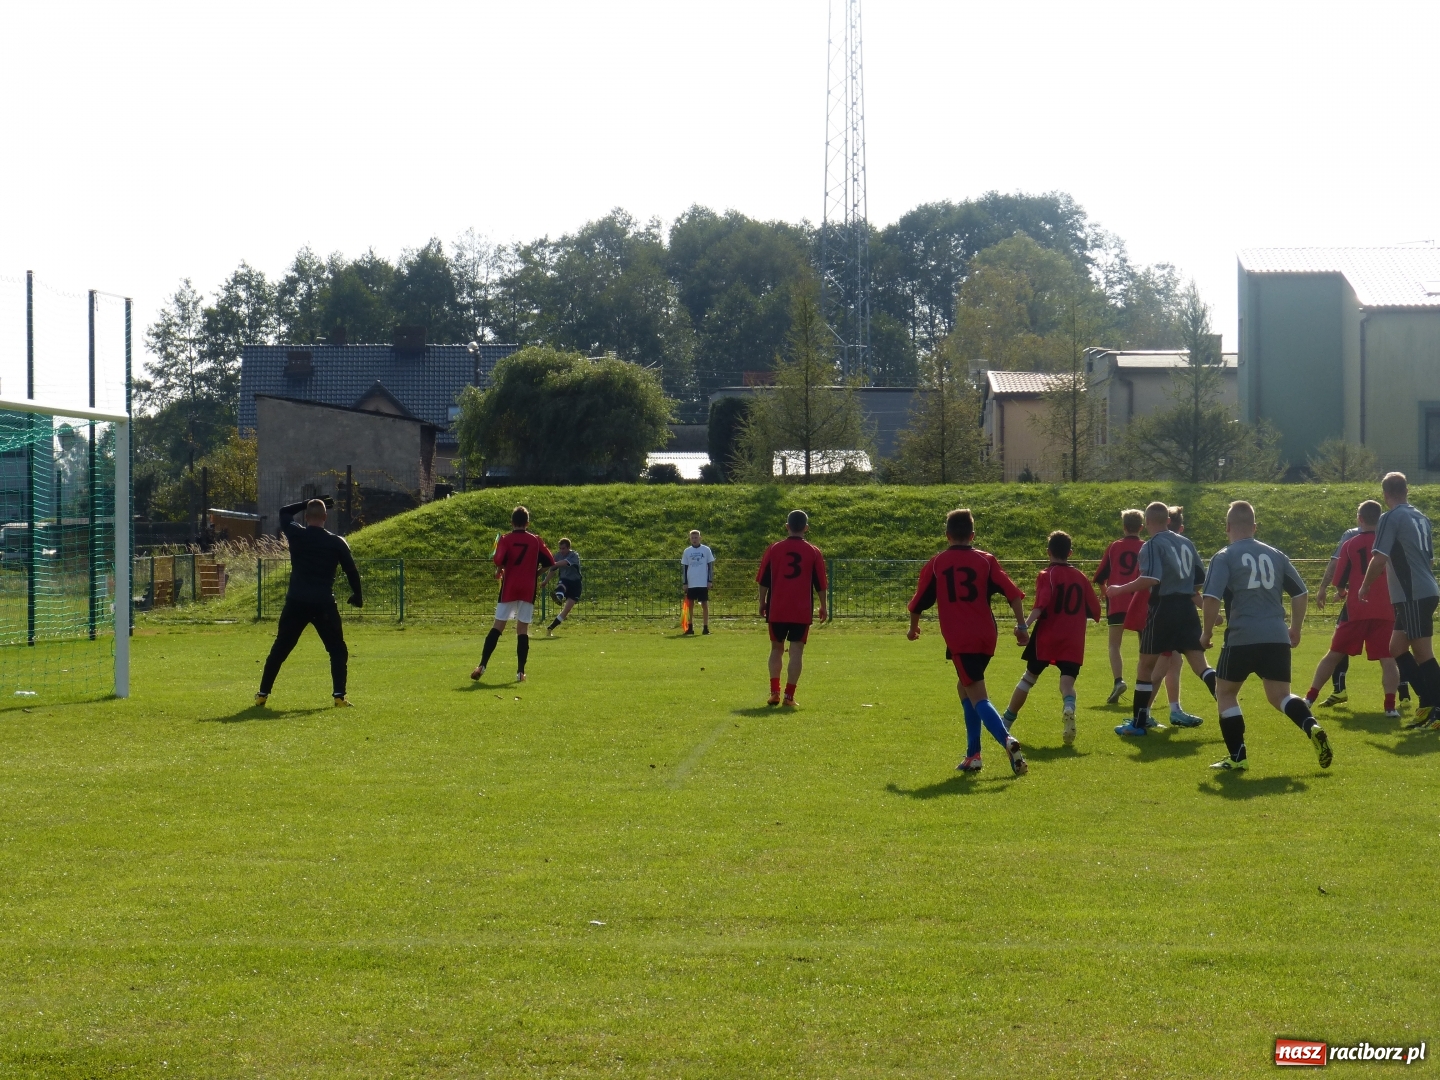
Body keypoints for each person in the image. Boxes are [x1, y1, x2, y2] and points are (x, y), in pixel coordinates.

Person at [1202, 501, 1332, 771]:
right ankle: (1312, 726)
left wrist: (1205, 634)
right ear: (1255, 527)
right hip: (1275, 635)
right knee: (1280, 696)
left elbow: (1211, 597)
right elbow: (1300, 592)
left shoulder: (1224, 556)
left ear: (1227, 527)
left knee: (1225, 691)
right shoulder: (1276, 554)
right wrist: (1295, 628)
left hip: (1241, 636)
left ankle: (1237, 757)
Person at [906, 508, 1030, 776]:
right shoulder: (986, 561)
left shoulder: (937, 563)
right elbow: (1014, 594)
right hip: (986, 635)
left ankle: (1007, 741)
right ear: (972, 535)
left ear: (947, 535)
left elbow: (918, 602)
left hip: (961, 638)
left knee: (977, 695)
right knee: (964, 688)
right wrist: (1021, 626)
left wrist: (913, 628)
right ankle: (973, 754)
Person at [1108, 501, 1218, 737]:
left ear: (1147, 522)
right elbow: (1200, 578)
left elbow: (1151, 579)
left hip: (1163, 609)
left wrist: (1119, 589)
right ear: (1168, 521)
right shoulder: (1186, 542)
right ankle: (1229, 704)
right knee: (1201, 666)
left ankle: (1138, 724)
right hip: (1187, 609)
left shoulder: (1151, 545)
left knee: (1145, 667)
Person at [255, 498, 362, 708]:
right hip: (323, 603)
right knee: (337, 650)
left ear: (305, 517)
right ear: (325, 517)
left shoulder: (297, 534)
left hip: (296, 601)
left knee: (281, 648)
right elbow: (351, 570)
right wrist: (357, 595)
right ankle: (339, 696)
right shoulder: (336, 542)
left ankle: (262, 694)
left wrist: (305, 502)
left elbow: (284, 511)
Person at [1003, 530, 1101, 745]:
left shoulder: (1047, 575)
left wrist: (1024, 625)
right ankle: (1068, 706)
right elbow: (1096, 611)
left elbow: (1041, 605)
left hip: (1048, 636)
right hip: (1073, 639)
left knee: (1028, 679)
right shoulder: (1081, 577)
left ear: (1048, 552)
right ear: (1070, 553)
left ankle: (1005, 723)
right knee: (1067, 683)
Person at [1358, 471, 1440, 729]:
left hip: (1413, 594)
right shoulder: (1421, 517)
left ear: (1385, 494)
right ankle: (1427, 702)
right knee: (1396, 648)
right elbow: (1428, 560)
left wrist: (1365, 586)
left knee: (1423, 654)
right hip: (1419, 591)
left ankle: (1436, 706)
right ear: (1406, 490)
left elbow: (1379, 557)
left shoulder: (1390, 517)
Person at [1306, 501, 1400, 718]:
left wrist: (1341, 593)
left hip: (1357, 608)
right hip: (1385, 608)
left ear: (1360, 519)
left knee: (1333, 655)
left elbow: (1339, 580)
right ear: (1380, 519)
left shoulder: (1351, 544)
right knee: (1388, 659)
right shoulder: (1390, 544)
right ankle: (1390, 707)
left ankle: (1309, 698)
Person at [471, 506, 554, 683]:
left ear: (511, 522)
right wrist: (535, 574)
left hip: (509, 587)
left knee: (497, 626)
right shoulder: (536, 541)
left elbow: (499, 560)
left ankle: (482, 665)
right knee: (522, 630)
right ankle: (520, 673)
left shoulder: (505, 539)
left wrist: (499, 570)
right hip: (527, 588)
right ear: (527, 523)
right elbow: (549, 562)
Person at [756, 511, 827, 706]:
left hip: (777, 607)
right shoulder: (813, 552)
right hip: (801, 610)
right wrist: (823, 606)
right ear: (806, 528)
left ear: (787, 526)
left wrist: (762, 602)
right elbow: (820, 583)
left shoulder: (774, 549)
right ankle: (789, 696)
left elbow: (763, 580)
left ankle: (774, 692)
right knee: (796, 651)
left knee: (776, 649)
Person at [1093, 509, 1145, 703]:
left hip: (1117, 601)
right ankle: (1144, 684)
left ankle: (1118, 681)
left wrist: (1104, 589)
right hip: (1140, 602)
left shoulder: (1114, 547)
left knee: (1114, 645)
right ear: (1141, 527)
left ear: (1124, 527)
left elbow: (1100, 576)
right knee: (1144, 646)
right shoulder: (1147, 546)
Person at [543, 538, 582, 635]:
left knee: (567, 609)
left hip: (576, 584)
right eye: (560, 548)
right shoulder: (558, 556)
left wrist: (553, 563)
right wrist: (545, 581)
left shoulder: (574, 555)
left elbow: (564, 563)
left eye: (563, 548)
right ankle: (559, 598)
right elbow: (552, 570)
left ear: (568, 548)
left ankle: (550, 628)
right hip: (565, 580)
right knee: (562, 584)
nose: (561, 551)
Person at [680, 530, 715, 636]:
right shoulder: (687, 551)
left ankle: (705, 628)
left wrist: (710, 580)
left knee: (704, 604)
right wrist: (685, 583)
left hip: (703, 582)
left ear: (700, 538)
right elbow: (685, 568)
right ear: (690, 539)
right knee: (690, 604)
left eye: (696, 537)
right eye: (692, 537)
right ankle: (690, 627)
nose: (694, 539)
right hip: (691, 582)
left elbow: (710, 566)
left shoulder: (706, 550)